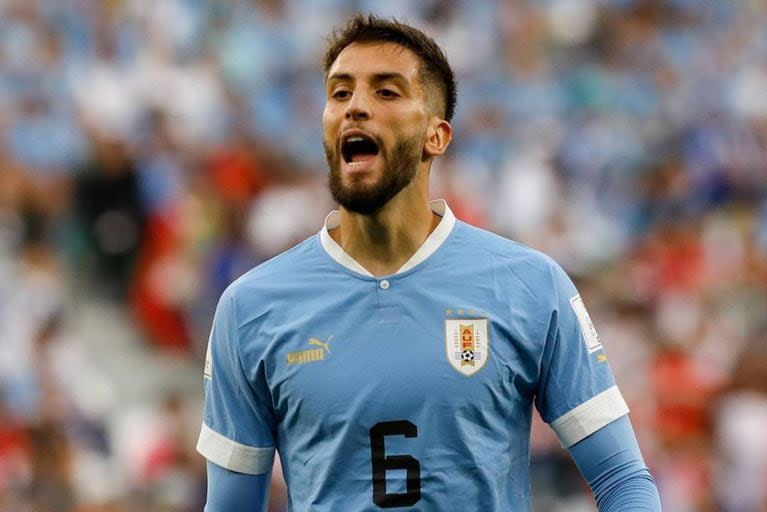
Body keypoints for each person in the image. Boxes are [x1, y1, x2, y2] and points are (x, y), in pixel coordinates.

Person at [196, 13, 662, 511]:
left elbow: (623, 481)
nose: (355, 107)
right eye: (339, 93)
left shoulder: (530, 285)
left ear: (435, 136)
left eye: (386, 92)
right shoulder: (250, 308)